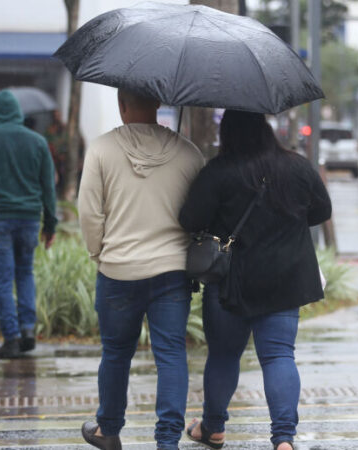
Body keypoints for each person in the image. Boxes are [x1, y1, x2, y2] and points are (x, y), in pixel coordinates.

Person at [178, 110, 332, 450]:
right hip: (285, 280)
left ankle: (213, 427)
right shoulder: (297, 167)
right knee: (279, 356)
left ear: (228, 134)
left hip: (230, 283)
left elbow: (190, 219)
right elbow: (321, 211)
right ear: (266, 130)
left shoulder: (218, 172)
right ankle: (284, 439)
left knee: (223, 355)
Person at [77, 89, 205, 450]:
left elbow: (89, 211)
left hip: (118, 270)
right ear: (159, 103)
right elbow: (199, 213)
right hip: (171, 271)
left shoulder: (102, 149)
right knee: (170, 355)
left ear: (122, 104)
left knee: (116, 353)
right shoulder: (188, 153)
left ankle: (109, 429)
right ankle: (167, 440)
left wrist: (98, 252)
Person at [0, 89, 57, 359]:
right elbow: (48, 188)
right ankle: (28, 330)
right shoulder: (38, 141)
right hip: (29, 219)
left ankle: (12, 338)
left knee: (3, 279)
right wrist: (50, 224)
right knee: (25, 273)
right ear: (19, 113)